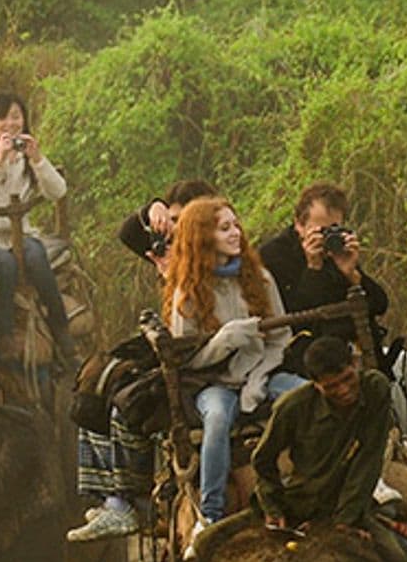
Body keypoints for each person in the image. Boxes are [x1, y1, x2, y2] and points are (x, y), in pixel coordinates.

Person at [67, 196, 305, 541]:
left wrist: (257, 380)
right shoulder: (187, 291)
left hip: (262, 373)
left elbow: (280, 339)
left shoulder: (261, 279)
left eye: (236, 225)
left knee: (306, 393)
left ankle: (358, 480)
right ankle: (208, 514)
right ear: (202, 236)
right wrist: (225, 340)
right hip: (213, 382)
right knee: (218, 419)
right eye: (224, 228)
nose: (235, 233)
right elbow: (187, 361)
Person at [258, 182, 407, 507]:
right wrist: (314, 266)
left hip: (352, 347)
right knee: (388, 384)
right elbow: (299, 317)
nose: (327, 236)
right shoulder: (273, 257)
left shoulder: (337, 251)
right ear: (299, 224)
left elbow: (378, 303)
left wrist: (352, 273)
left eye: (335, 228)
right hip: (310, 355)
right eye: (320, 229)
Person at [0, 92, 75, 365]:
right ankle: (5, 335)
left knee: (35, 255)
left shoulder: (27, 153)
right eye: (3, 118)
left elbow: (58, 190)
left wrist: (37, 159)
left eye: (16, 117)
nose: (9, 124)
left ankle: (60, 326)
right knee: (5, 264)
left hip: (19, 235)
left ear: (24, 121)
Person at [253, 335, 391, 534]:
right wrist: (273, 510)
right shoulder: (292, 408)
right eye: (331, 386)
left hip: (349, 504)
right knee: (208, 542)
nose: (344, 390)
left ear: (355, 363)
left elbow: (369, 457)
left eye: (347, 378)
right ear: (315, 384)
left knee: (403, 561)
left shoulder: (376, 388)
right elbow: (262, 460)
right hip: (301, 503)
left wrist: (345, 520)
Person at [117, 178, 216, 275]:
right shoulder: (172, 253)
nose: (176, 227)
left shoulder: (225, 250)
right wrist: (154, 208)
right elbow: (128, 233)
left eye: (185, 220)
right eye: (174, 220)